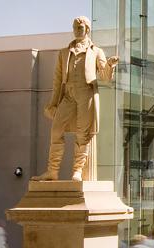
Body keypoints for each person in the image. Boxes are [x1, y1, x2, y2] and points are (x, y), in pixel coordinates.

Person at [31, 16, 118, 181]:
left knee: (82, 133)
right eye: (75, 27)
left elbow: (105, 77)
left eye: (80, 27)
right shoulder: (64, 53)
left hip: (86, 94)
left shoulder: (96, 51)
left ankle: (77, 170)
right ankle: (52, 171)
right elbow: (57, 81)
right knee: (56, 130)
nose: (77, 30)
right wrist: (53, 103)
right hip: (68, 95)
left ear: (87, 30)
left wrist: (110, 65)